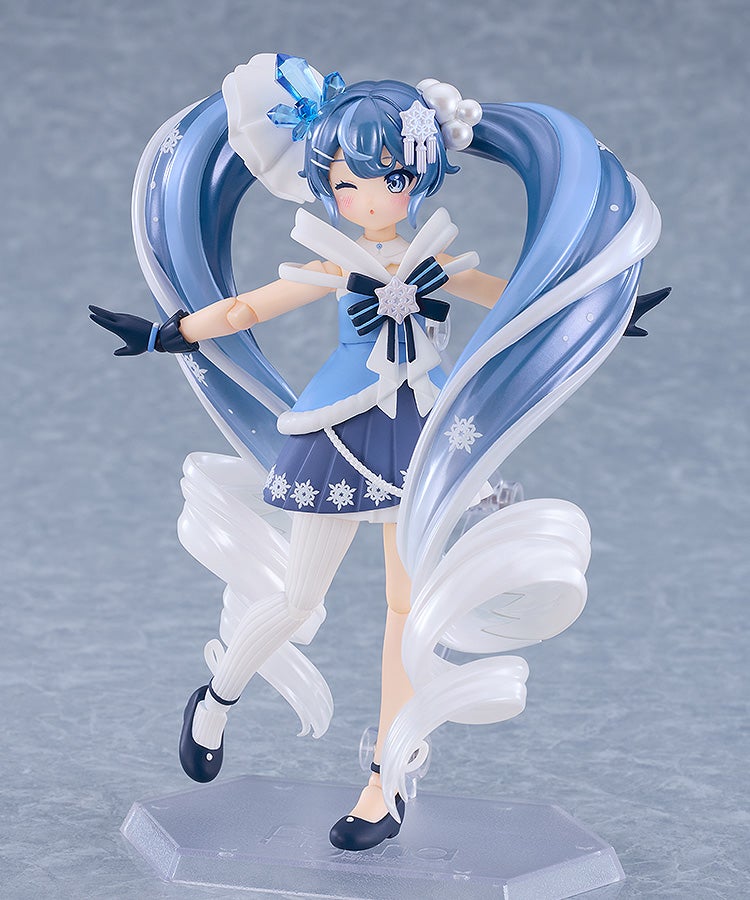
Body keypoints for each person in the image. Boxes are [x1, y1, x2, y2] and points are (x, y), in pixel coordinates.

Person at [91, 52, 666, 851]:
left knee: (408, 613)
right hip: (342, 431)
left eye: (388, 178)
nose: (367, 198)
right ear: (326, 184)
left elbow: (513, 298)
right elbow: (252, 306)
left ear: (419, 176)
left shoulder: (433, 260)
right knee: (299, 600)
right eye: (347, 183)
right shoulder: (335, 261)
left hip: (423, 436)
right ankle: (216, 699)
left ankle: (384, 779)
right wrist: (168, 332)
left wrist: (598, 312)